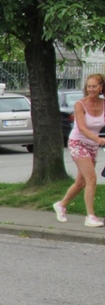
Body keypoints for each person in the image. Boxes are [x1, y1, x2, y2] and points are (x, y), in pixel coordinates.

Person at [54, 73, 105, 227]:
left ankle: (61, 205)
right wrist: (98, 139)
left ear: (101, 87)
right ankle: (90, 216)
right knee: (91, 178)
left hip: (92, 145)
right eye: (89, 86)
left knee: (81, 182)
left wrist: (97, 141)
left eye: (94, 86)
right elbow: (82, 128)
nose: (91, 89)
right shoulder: (80, 104)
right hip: (78, 142)